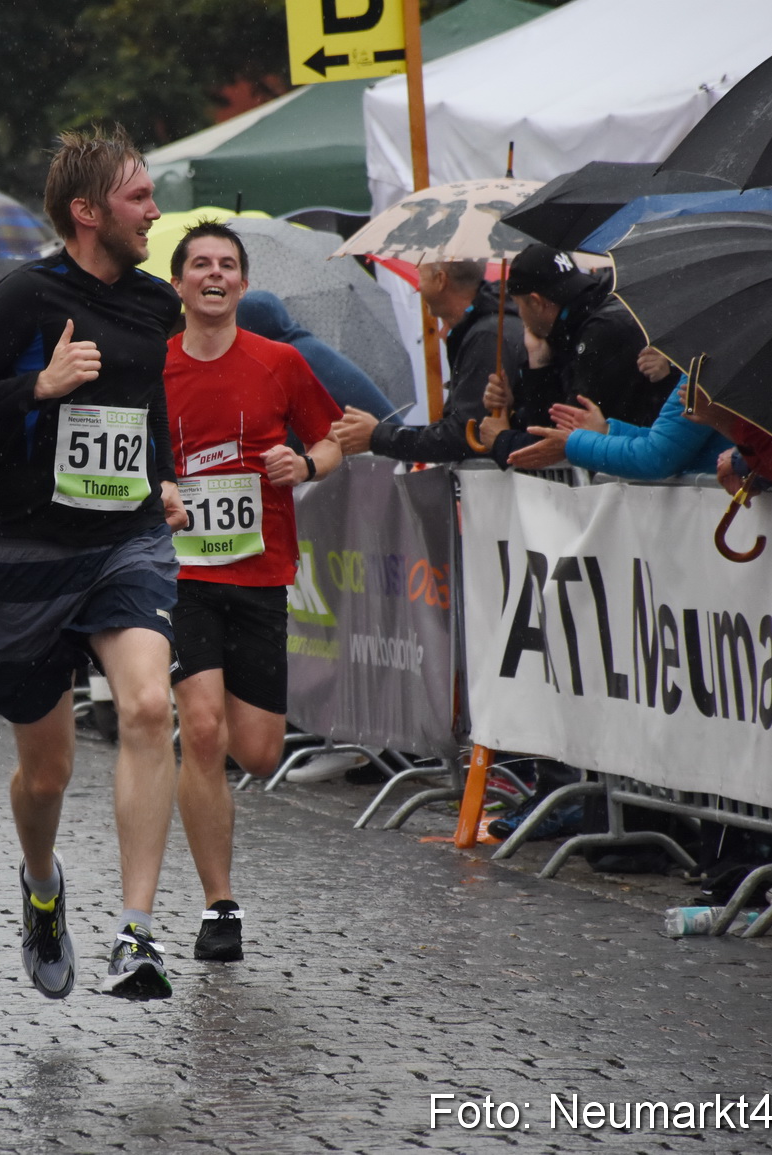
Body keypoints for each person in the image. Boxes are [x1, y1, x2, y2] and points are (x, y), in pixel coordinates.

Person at [0, 124, 188, 1001]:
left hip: (126, 541)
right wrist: (36, 386)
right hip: (25, 553)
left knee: (148, 705)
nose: (154, 210)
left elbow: (147, 405)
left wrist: (165, 473)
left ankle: (136, 933)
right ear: (87, 210)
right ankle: (42, 886)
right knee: (48, 771)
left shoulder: (154, 304)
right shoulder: (26, 297)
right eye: (139, 197)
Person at [162, 222, 342, 961]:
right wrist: (159, 485)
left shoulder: (280, 361)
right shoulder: (154, 366)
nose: (213, 274)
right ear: (178, 284)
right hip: (179, 576)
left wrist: (307, 464)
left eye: (226, 265)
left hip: (261, 573)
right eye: (199, 263)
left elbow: (337, 435)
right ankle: (219, 906)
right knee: (200, 730)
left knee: (260, 751)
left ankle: (220, 799)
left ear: (242, 284)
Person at [481, 245, 669, 466]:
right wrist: (523, 392)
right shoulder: (579, 320)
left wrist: (502, 440)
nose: (520, 316)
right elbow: (553, 421)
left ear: (536, 302)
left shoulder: (600, 332)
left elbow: (563, 441)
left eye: (519, 305)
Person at [331, 260, 525, 461]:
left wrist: (377, 436)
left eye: (420, 275)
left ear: (440, 280)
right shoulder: (485, 328)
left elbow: (464, 436)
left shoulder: (487, 336)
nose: (417, 288)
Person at [502, 350, 732, 477]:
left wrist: (572, 445)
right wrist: (606, 431)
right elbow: (667, 442)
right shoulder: (719, 354)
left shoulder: (711, 361)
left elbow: (657, 457)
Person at [233, 290, 397, 419]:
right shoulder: (304, 346)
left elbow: (291, 434)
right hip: (389, 445)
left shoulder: (291, 360)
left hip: (386, 454)